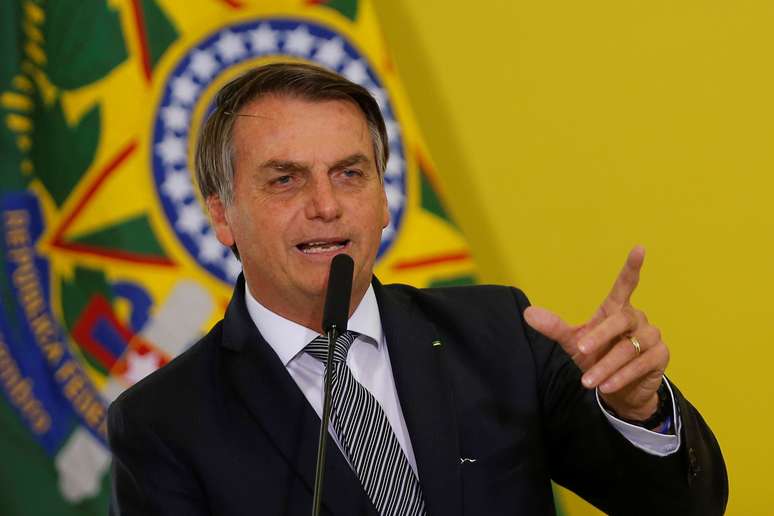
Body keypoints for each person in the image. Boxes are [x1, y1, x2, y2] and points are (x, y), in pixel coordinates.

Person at [108, 63, 727, 516]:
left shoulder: (499, 334)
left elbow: (679, 506)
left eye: (351, 174)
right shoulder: (163, 423)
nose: (326, 206)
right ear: (221, 216)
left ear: (383, 200)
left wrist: (637, 410)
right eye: (285, 180)